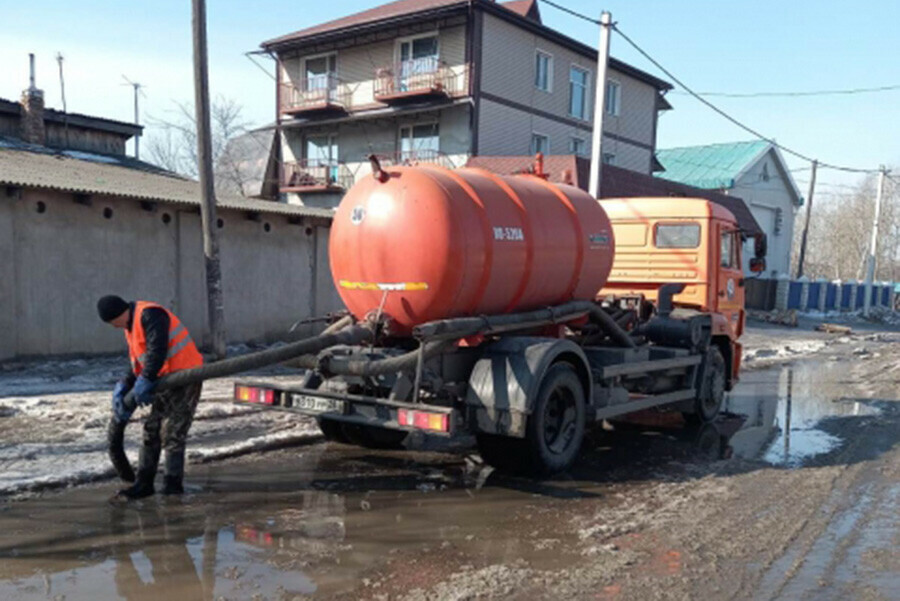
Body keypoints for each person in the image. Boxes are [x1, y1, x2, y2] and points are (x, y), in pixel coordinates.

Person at [97, 295, 203, 499]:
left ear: (118, 315)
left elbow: (157, 349)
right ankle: (144, 484)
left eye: (112, 322)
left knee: (172, 433)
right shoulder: (132, 326)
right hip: (164, 380)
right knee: (151, 431)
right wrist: (125, 384)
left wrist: (145, 379)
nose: (113, 327)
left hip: (186, 377)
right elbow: (140, 360)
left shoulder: (150, 314)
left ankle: (172, 488)